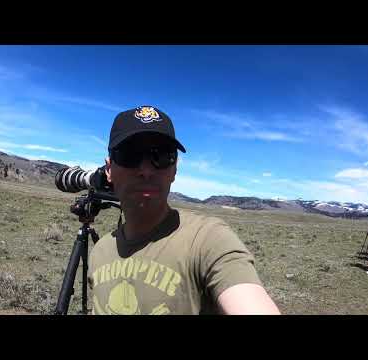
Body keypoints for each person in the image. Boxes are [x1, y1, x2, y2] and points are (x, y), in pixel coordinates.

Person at [88, 105, 280, 315]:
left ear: (174, 170)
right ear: (109, 170)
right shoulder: (99, 252)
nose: (146, 170)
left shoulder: (207, 240)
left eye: (161, 156)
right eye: (129, 155)